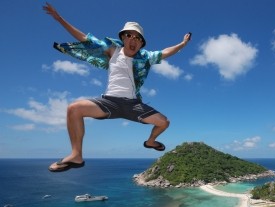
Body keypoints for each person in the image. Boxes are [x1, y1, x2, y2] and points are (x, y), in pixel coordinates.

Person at [43, 3, 191, 172]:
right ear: (123, 38)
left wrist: (183, 44)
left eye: (138, 38)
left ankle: (150, 142)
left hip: (133, 105)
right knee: (74, 109)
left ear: (141, 43)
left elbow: (165, 52)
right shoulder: (113, 50)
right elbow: (85, 39)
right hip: (109, 103)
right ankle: (76, 155)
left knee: (164, 122)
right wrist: (60, 19)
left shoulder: (145, 57)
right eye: (129, 35)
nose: (133, 39)